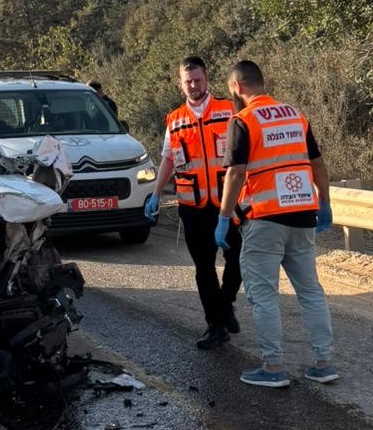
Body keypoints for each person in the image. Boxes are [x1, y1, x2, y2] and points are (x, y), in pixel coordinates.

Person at [215, 59, 337, 388]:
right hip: (303, 216)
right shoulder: (296, 116)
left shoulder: (243, 120)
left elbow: (236, 173)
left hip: (265, 219)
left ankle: (273, 367)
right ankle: (324, 363)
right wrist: (324, 202)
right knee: (310, 291)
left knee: (264, 295)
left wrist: (224, 218)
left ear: (237, 87)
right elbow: (318, 165)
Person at [144, 55, 242, 349]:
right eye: (188, 82)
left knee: (239, 260)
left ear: (206, 79)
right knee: (203, 268)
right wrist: (156, 193)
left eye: (198, 80)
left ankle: (225, 304)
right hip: (193, 206)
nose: (194, 86)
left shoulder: (229, 109)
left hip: (229, 202)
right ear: (180, 84)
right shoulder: (175, 119)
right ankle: (216, 325)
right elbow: (168, 158)